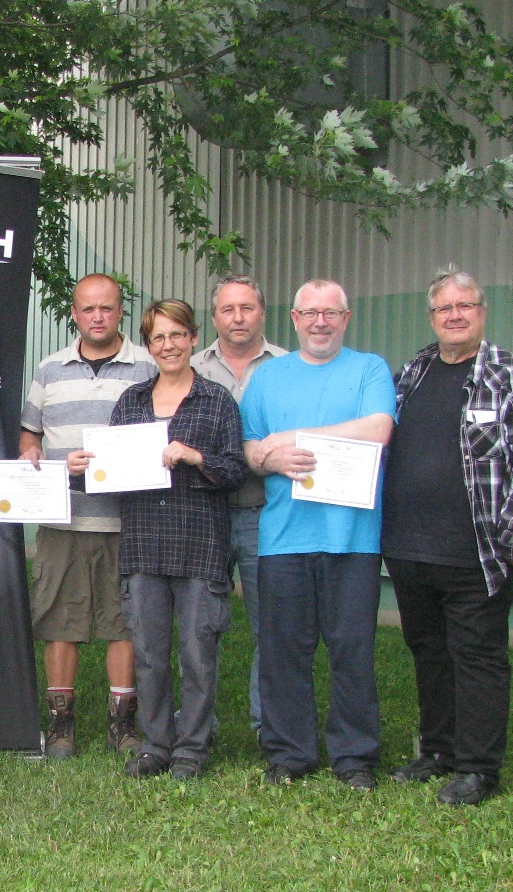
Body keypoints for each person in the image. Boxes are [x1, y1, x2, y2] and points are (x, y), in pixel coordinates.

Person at [381, 268, 513, 806]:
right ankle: (437, 750)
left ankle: (480, 769)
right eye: (443, 309)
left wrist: (511, 535)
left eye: (465, 306)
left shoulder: (510, 376)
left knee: (477, 658)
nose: (454, 316)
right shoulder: (414, 371)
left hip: (476, 552)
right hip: (409, 546)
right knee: (428, 651)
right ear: (432, 317)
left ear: (482, 311)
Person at [69, 300, 246, 779]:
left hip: (199, 546)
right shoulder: (132, 402)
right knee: (148, 656)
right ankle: (155, 745)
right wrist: (81, 472)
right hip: (144, 546)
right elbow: (107, 474)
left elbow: (235, 470)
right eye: (157, 338)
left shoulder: (217, 401)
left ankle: (191, 749)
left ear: (192, 339)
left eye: (176, 335)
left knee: (196, 654)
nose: (168, 345)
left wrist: (193, 455)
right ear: (148, 346)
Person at [241, 279, 396, 791]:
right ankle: (290, 753)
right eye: (310, 313)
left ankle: (354, 757)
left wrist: (296, 440)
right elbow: (248, 448)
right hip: (284, 537)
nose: (320, 322)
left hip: (352, 538)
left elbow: (378, 429)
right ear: (294, 318)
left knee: (352, 650)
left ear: (346, 319)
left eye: (331, 313)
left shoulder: (368, 369)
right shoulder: (268, 379)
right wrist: (269, 454)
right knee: (284, 650)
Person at [19, 274, 156, 760]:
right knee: (60, 619)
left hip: (130, 518)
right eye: (87, 309)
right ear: (73, 314)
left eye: (107, 308)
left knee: (125, 623)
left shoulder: (147, 365)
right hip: (64, 518)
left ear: (121, 311)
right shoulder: (50, 368)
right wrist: (39, 457)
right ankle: (61, 724)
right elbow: (29, 435)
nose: (97, 316)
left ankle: (123, 725)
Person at [190, 275, 287, 738]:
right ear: (214, 318)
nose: (238, 317)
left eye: (246, 308)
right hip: (201, 515)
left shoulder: (290, 367)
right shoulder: (188, 368)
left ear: (262, 313)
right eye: (227, 309)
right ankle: (196, 724)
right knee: (199, 627)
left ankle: (268, 725)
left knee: (270, 625)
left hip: (264, 514)